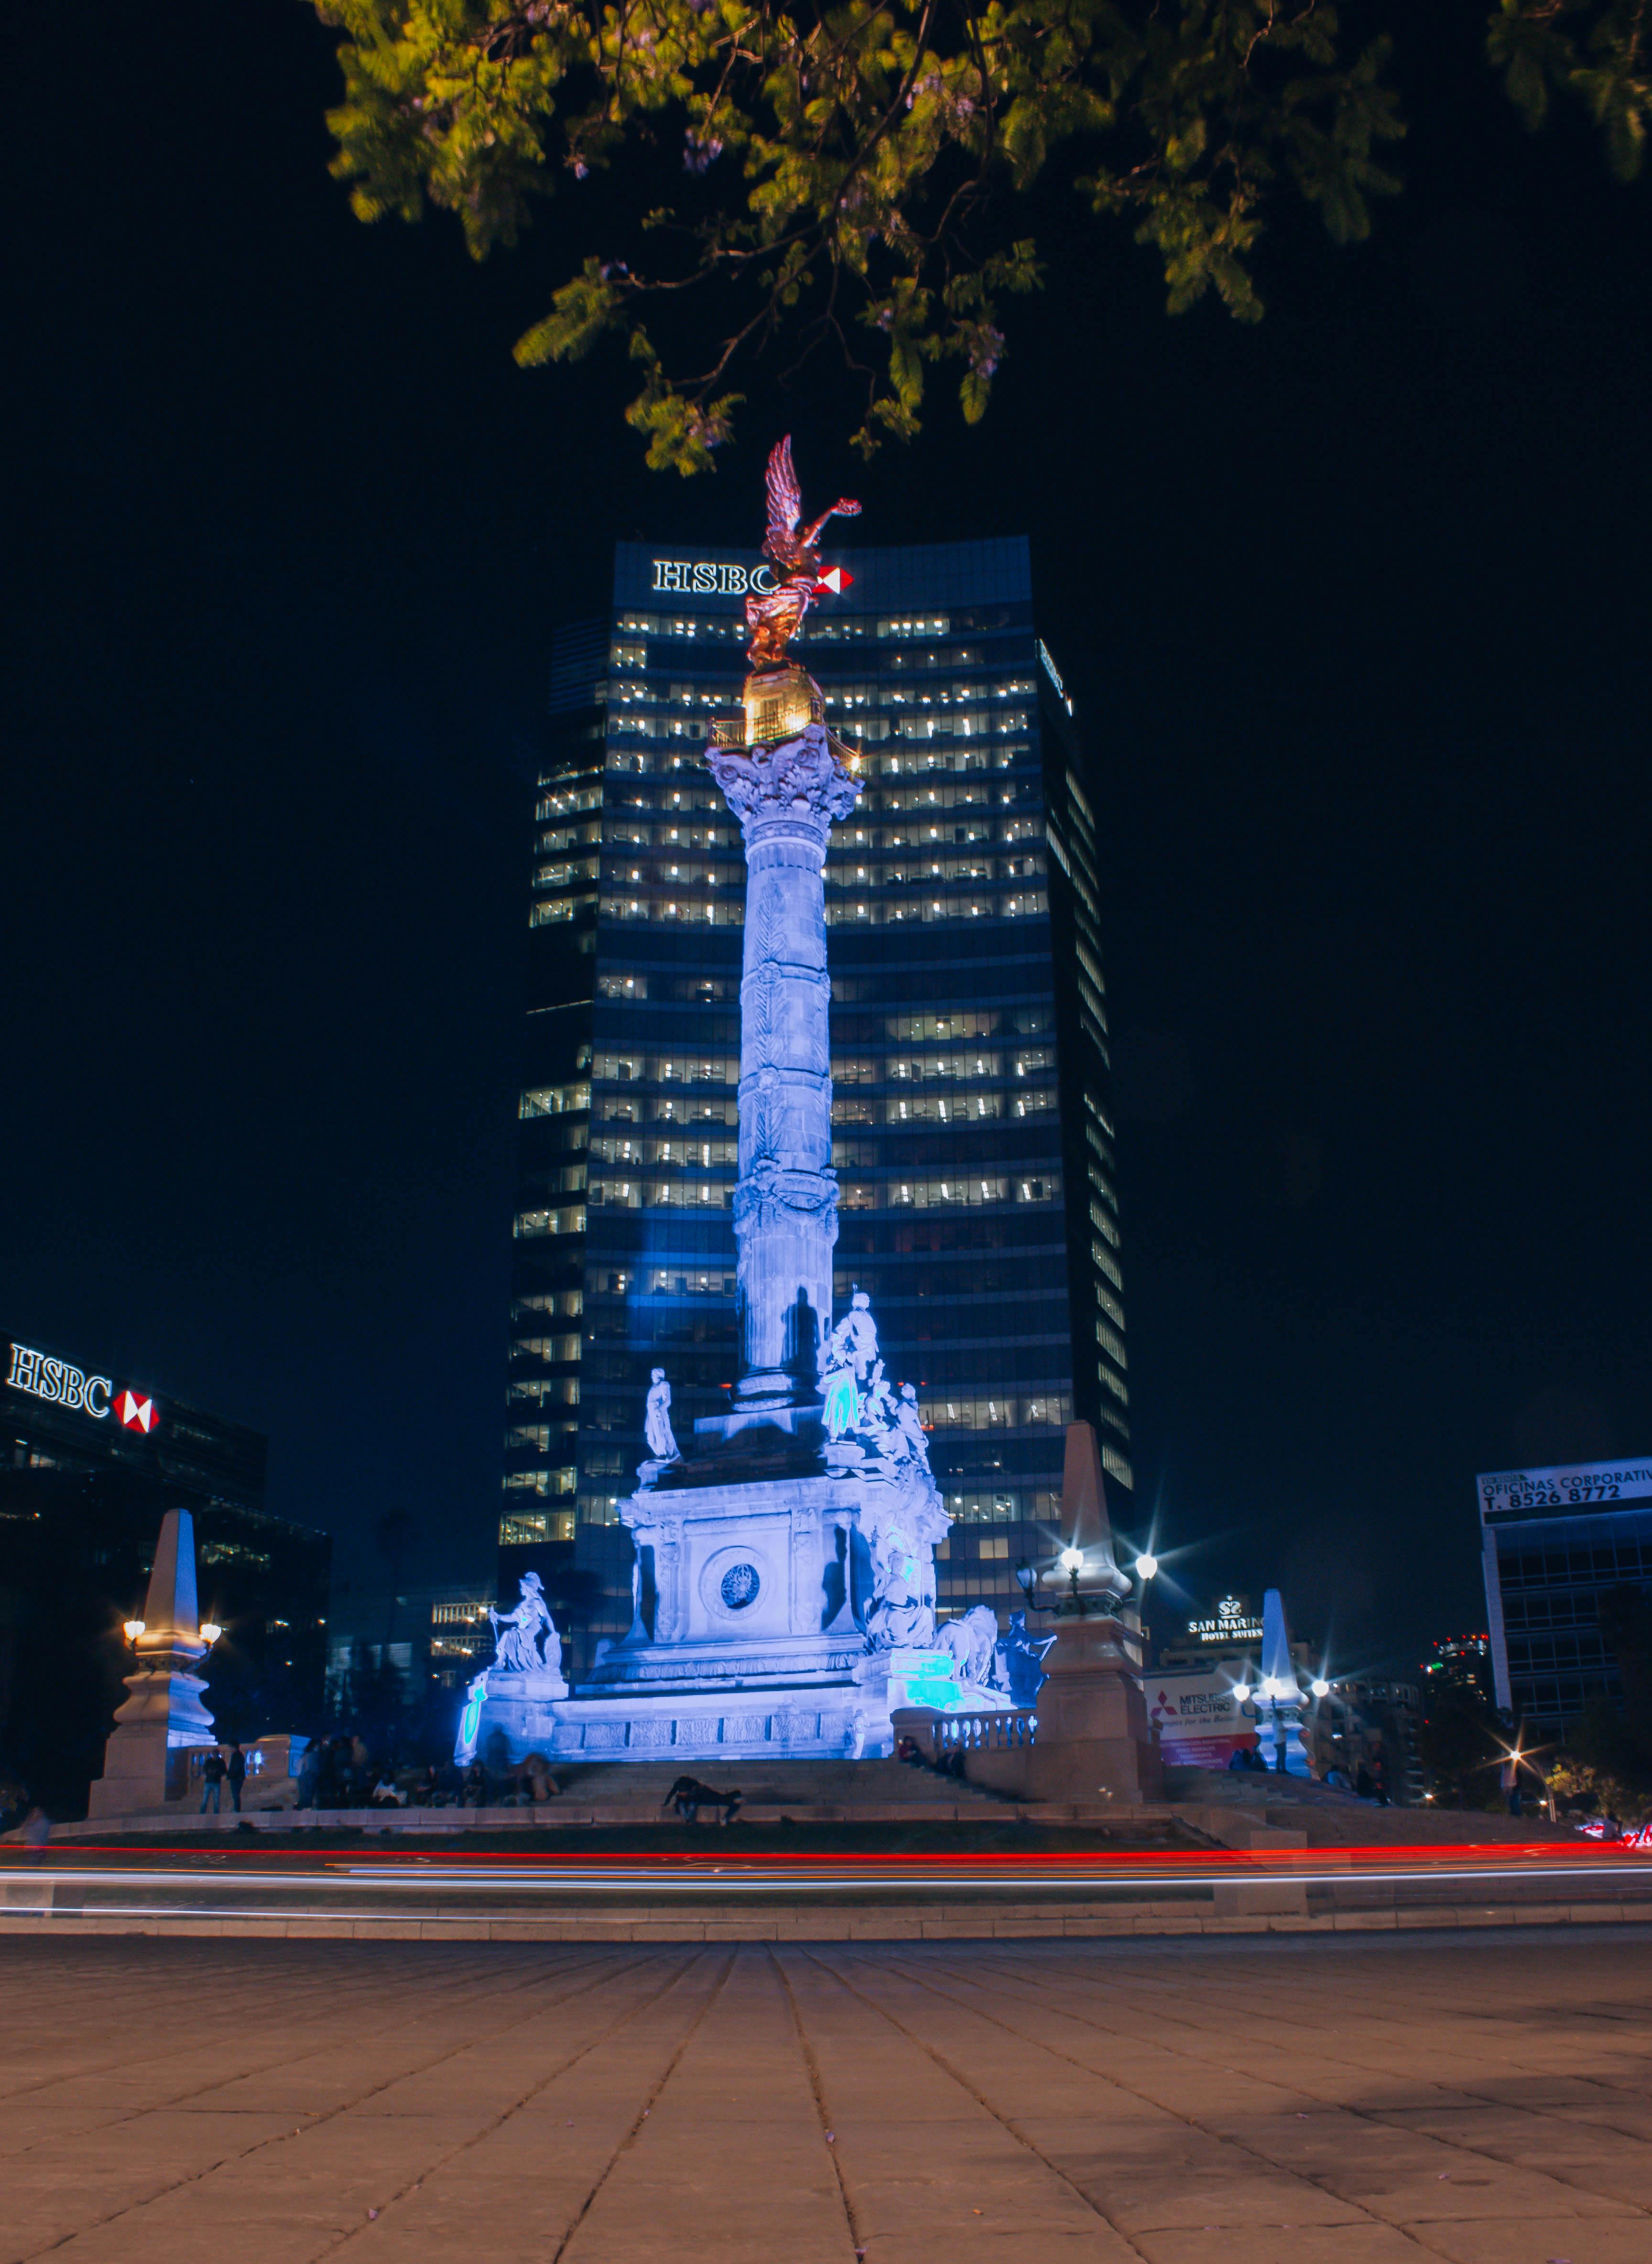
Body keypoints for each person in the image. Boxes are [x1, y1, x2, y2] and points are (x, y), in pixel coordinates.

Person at [200, 1748, 227, 1814]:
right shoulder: (210, 1761)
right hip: (209, 1782)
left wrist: (217, 1771)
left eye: (216, 1754)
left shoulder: (221, 1762)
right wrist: (209, 1772)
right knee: (205, 1799)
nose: (215, 1756)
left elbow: (224, 1772)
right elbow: (204, 1770)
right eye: (214, 1754)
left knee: (216, 1800)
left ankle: (216, 1814)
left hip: (216, 1782)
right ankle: (203, 1813)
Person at [226, 1742, 247, 1813]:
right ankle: (236, 1809)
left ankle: (237, 1809)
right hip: (237, 1778)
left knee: (236, 1794)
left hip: (236, 1778)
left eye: (230, 1747)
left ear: (234, 1747)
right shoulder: (237, 1755)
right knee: (235, 1794)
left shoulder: (237, 1755)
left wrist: (231, 1775)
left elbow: (236, 1768)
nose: (230, 1749)